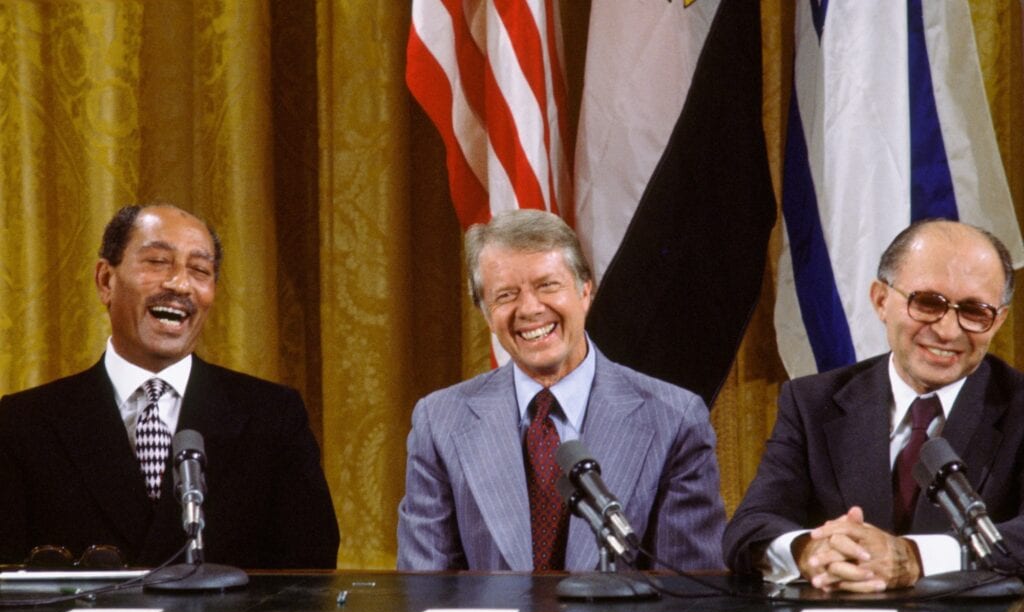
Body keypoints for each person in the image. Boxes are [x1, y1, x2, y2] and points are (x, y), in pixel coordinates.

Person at [0, 204, 340, 569]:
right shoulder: (22, 423)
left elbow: (310, 576)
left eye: (199, 270)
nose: (179, 284)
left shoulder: (272, 417)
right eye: (158, 262)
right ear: (105, 281)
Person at [397, 209, 726, 571]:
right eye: (506, 295)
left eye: (547, 285)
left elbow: (687, 596)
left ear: (585, 291)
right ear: (487, 315)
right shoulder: (440, 421)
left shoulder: (673, 418)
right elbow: (424, 591)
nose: (530, 309)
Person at [724, 218, 1024, 592]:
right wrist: (810, 551)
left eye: (974, 311)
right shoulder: (813, 402)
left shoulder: (1017, 407)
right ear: (881, 300)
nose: (948, 330)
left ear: (999, 321)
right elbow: (750, 527)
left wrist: (914, 559)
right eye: (928, 303)